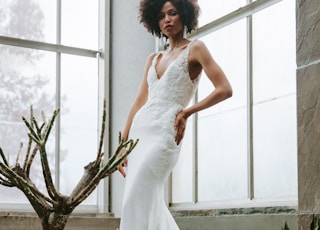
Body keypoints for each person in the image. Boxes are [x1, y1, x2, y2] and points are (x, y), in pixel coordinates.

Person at [117, 0, 232, 229]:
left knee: (136, 198)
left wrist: (187, 112)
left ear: (185, 15)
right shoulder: (153, 58)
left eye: (172, 13)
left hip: (164, 134)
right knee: (147, 202)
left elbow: (225, 89)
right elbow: (138, 103)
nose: (167, 20)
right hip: (140, 134)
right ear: (154, 21)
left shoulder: (196, 48)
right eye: (161, 16)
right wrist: (123, 145)